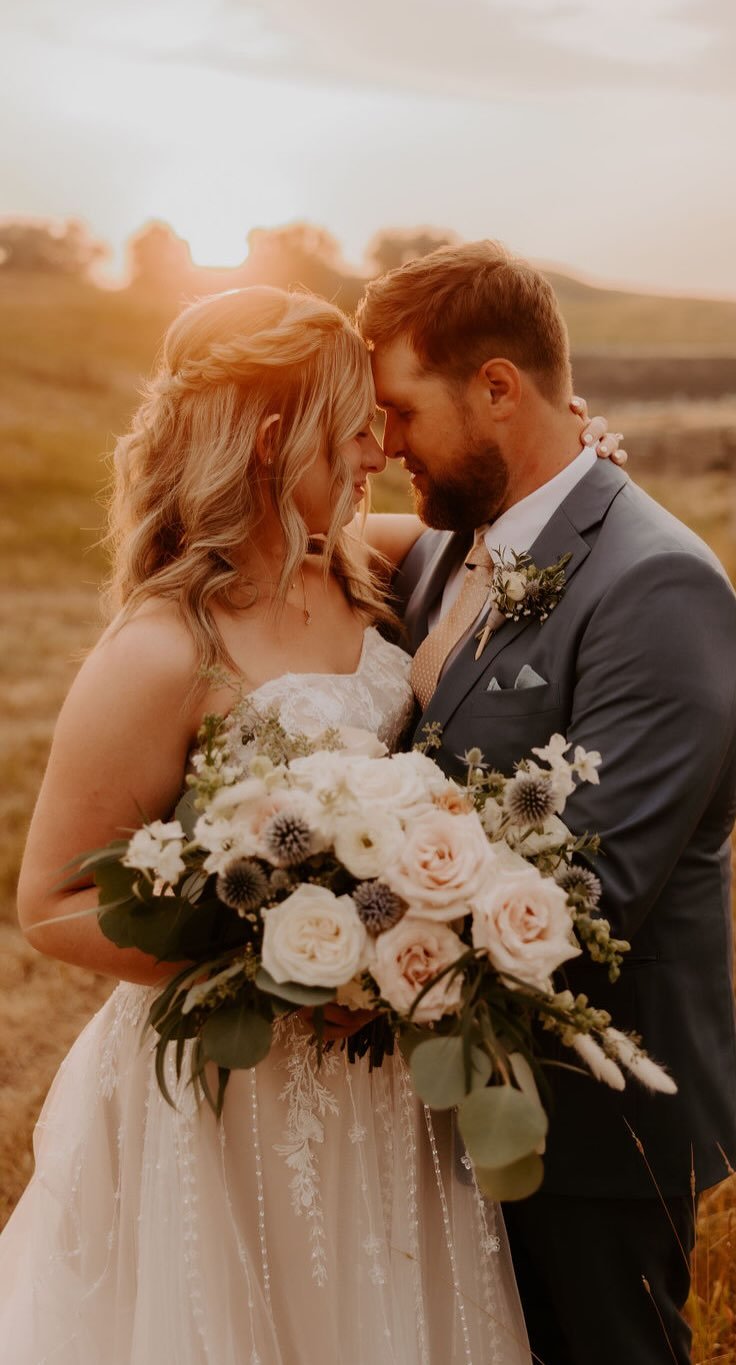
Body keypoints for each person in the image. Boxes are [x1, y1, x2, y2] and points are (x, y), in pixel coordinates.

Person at [0, 285, 535, 1364]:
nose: (379, 446)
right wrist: (283, 965)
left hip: (379, 1080)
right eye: (354, 424)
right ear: (276, 440)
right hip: (228, 1091)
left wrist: (588, 458)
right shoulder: (161, 649)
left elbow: (510, 531)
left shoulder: (362, 565)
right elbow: (48, 903)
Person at [358, 240, 736, 1365]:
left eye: (399, 412)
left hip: (590, 1129)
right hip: (445, 1106)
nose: (385, 449)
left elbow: (589, 886)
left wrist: (347, 957)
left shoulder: (657, 585)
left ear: (496, 388)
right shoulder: (448, 547)